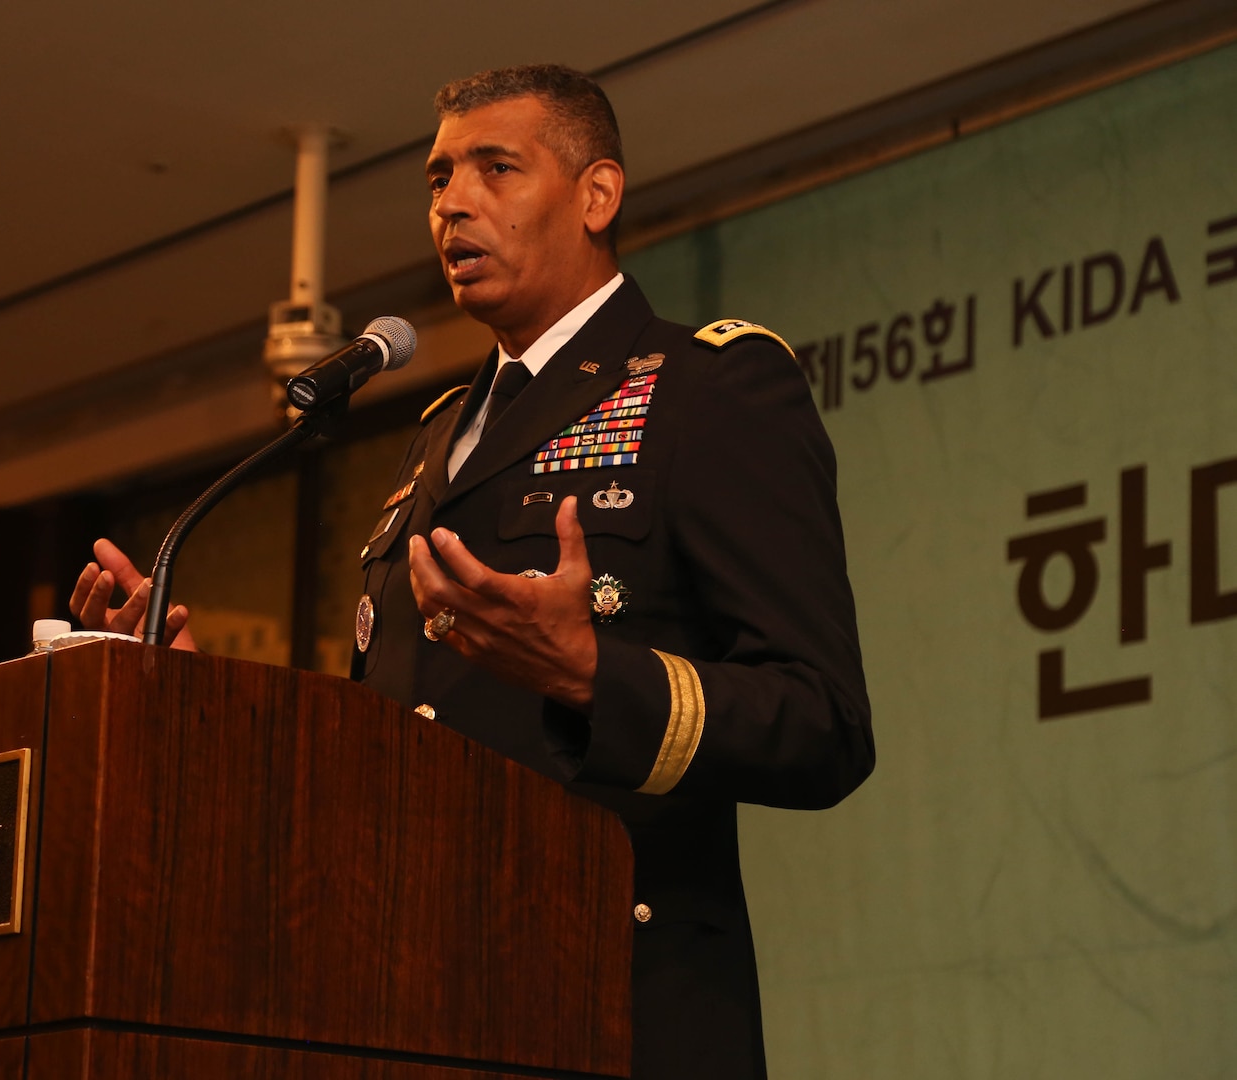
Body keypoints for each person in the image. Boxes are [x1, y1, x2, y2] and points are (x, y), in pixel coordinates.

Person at [72, 64, 873, 1080]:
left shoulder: (708, 387)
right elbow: (397, 747)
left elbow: (824, 724)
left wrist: (593, 676)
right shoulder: (436, 438)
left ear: (596, 195)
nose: (453, 202)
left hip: (616, 1010)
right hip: (416, 1012)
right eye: (439, 176)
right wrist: (208, 694)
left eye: (498, 168)